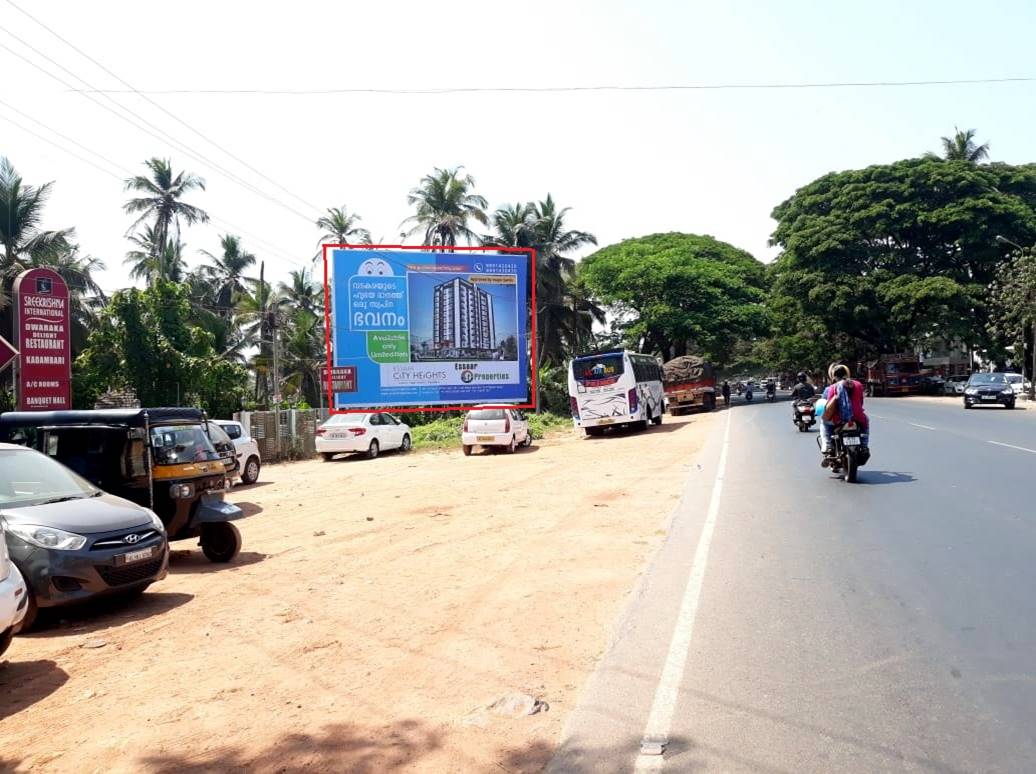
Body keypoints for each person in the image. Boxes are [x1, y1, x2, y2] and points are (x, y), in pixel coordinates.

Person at [819, 363, 870, 460]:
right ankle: (864, 445)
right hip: (857, 417)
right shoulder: (858, 385)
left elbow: (826, 406)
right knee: (866, 422)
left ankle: (828, 445)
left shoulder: (830, 388)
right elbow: (861, 402)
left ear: (833, 376)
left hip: (838, 419)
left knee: (824, 422)